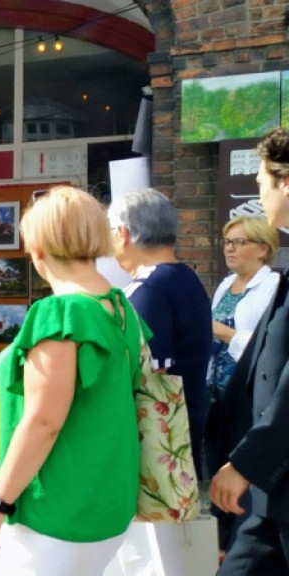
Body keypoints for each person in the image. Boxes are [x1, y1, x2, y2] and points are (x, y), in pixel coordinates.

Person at [0, 186, 141, 575]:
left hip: (58, 509)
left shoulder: (60, 313)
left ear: (39, 248)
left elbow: (43, 422)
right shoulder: (118, 305)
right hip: (107, 498)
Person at [210, 127, 289, 575]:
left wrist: (247, 462)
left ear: (285, 182)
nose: (258, 191)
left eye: (262, 180)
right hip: (270, 484)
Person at [108, 187, 212, 474]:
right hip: (184, 425)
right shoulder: (184, 275)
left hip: (158, 441)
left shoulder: (147, 289)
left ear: (123, 234)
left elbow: (149, 375)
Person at [206, 215, 280, 551]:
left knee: (241, 464)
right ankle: (223, 539)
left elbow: (266, 344)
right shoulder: (224, 285)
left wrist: (222, 332)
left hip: (248, 391)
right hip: (217, 391)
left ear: (263, 249)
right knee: (217, 458)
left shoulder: (273, 287)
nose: (230, 249)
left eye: (239, 242)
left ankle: (241, 535)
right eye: (226, 242)